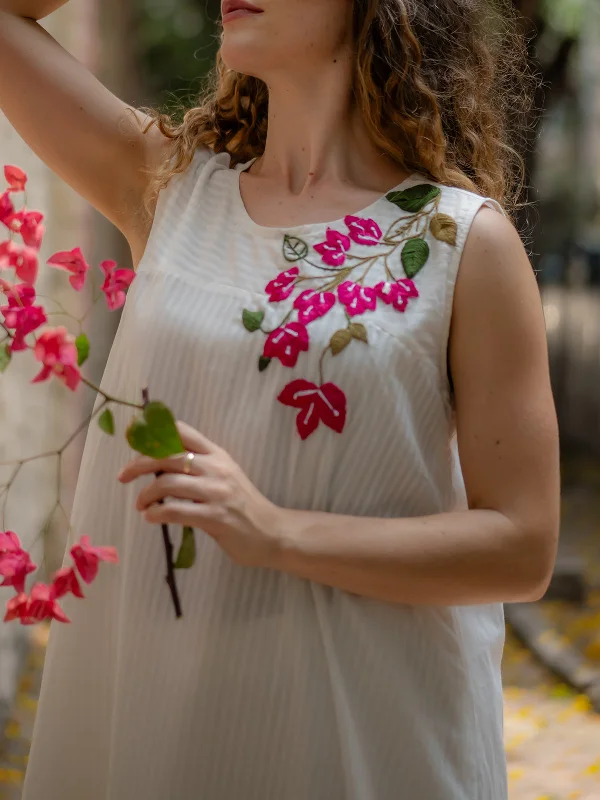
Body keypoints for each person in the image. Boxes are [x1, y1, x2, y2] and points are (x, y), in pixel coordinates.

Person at [0, 1, 560, 798]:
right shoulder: (166, 188)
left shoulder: (462, 245)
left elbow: (523, 544)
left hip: (364, 733)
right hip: (164, 718)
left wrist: (278, 533)